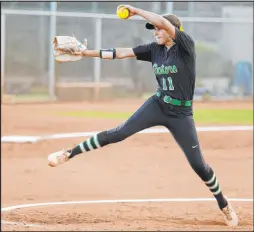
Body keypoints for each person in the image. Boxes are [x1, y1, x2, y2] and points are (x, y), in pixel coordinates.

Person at [48, 5, 238, 227]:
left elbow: (165, 23)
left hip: (181, 114)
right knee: (119, 133)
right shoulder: (154, 49)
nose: (155, 32)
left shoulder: (186, 46)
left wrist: (136, 11)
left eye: (158, 29)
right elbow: (121, 53)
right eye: (153, 29)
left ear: (172, 30)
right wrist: (85, 53)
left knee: (199, 166)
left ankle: (224, 205)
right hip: (157, 105)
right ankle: (69, 153)